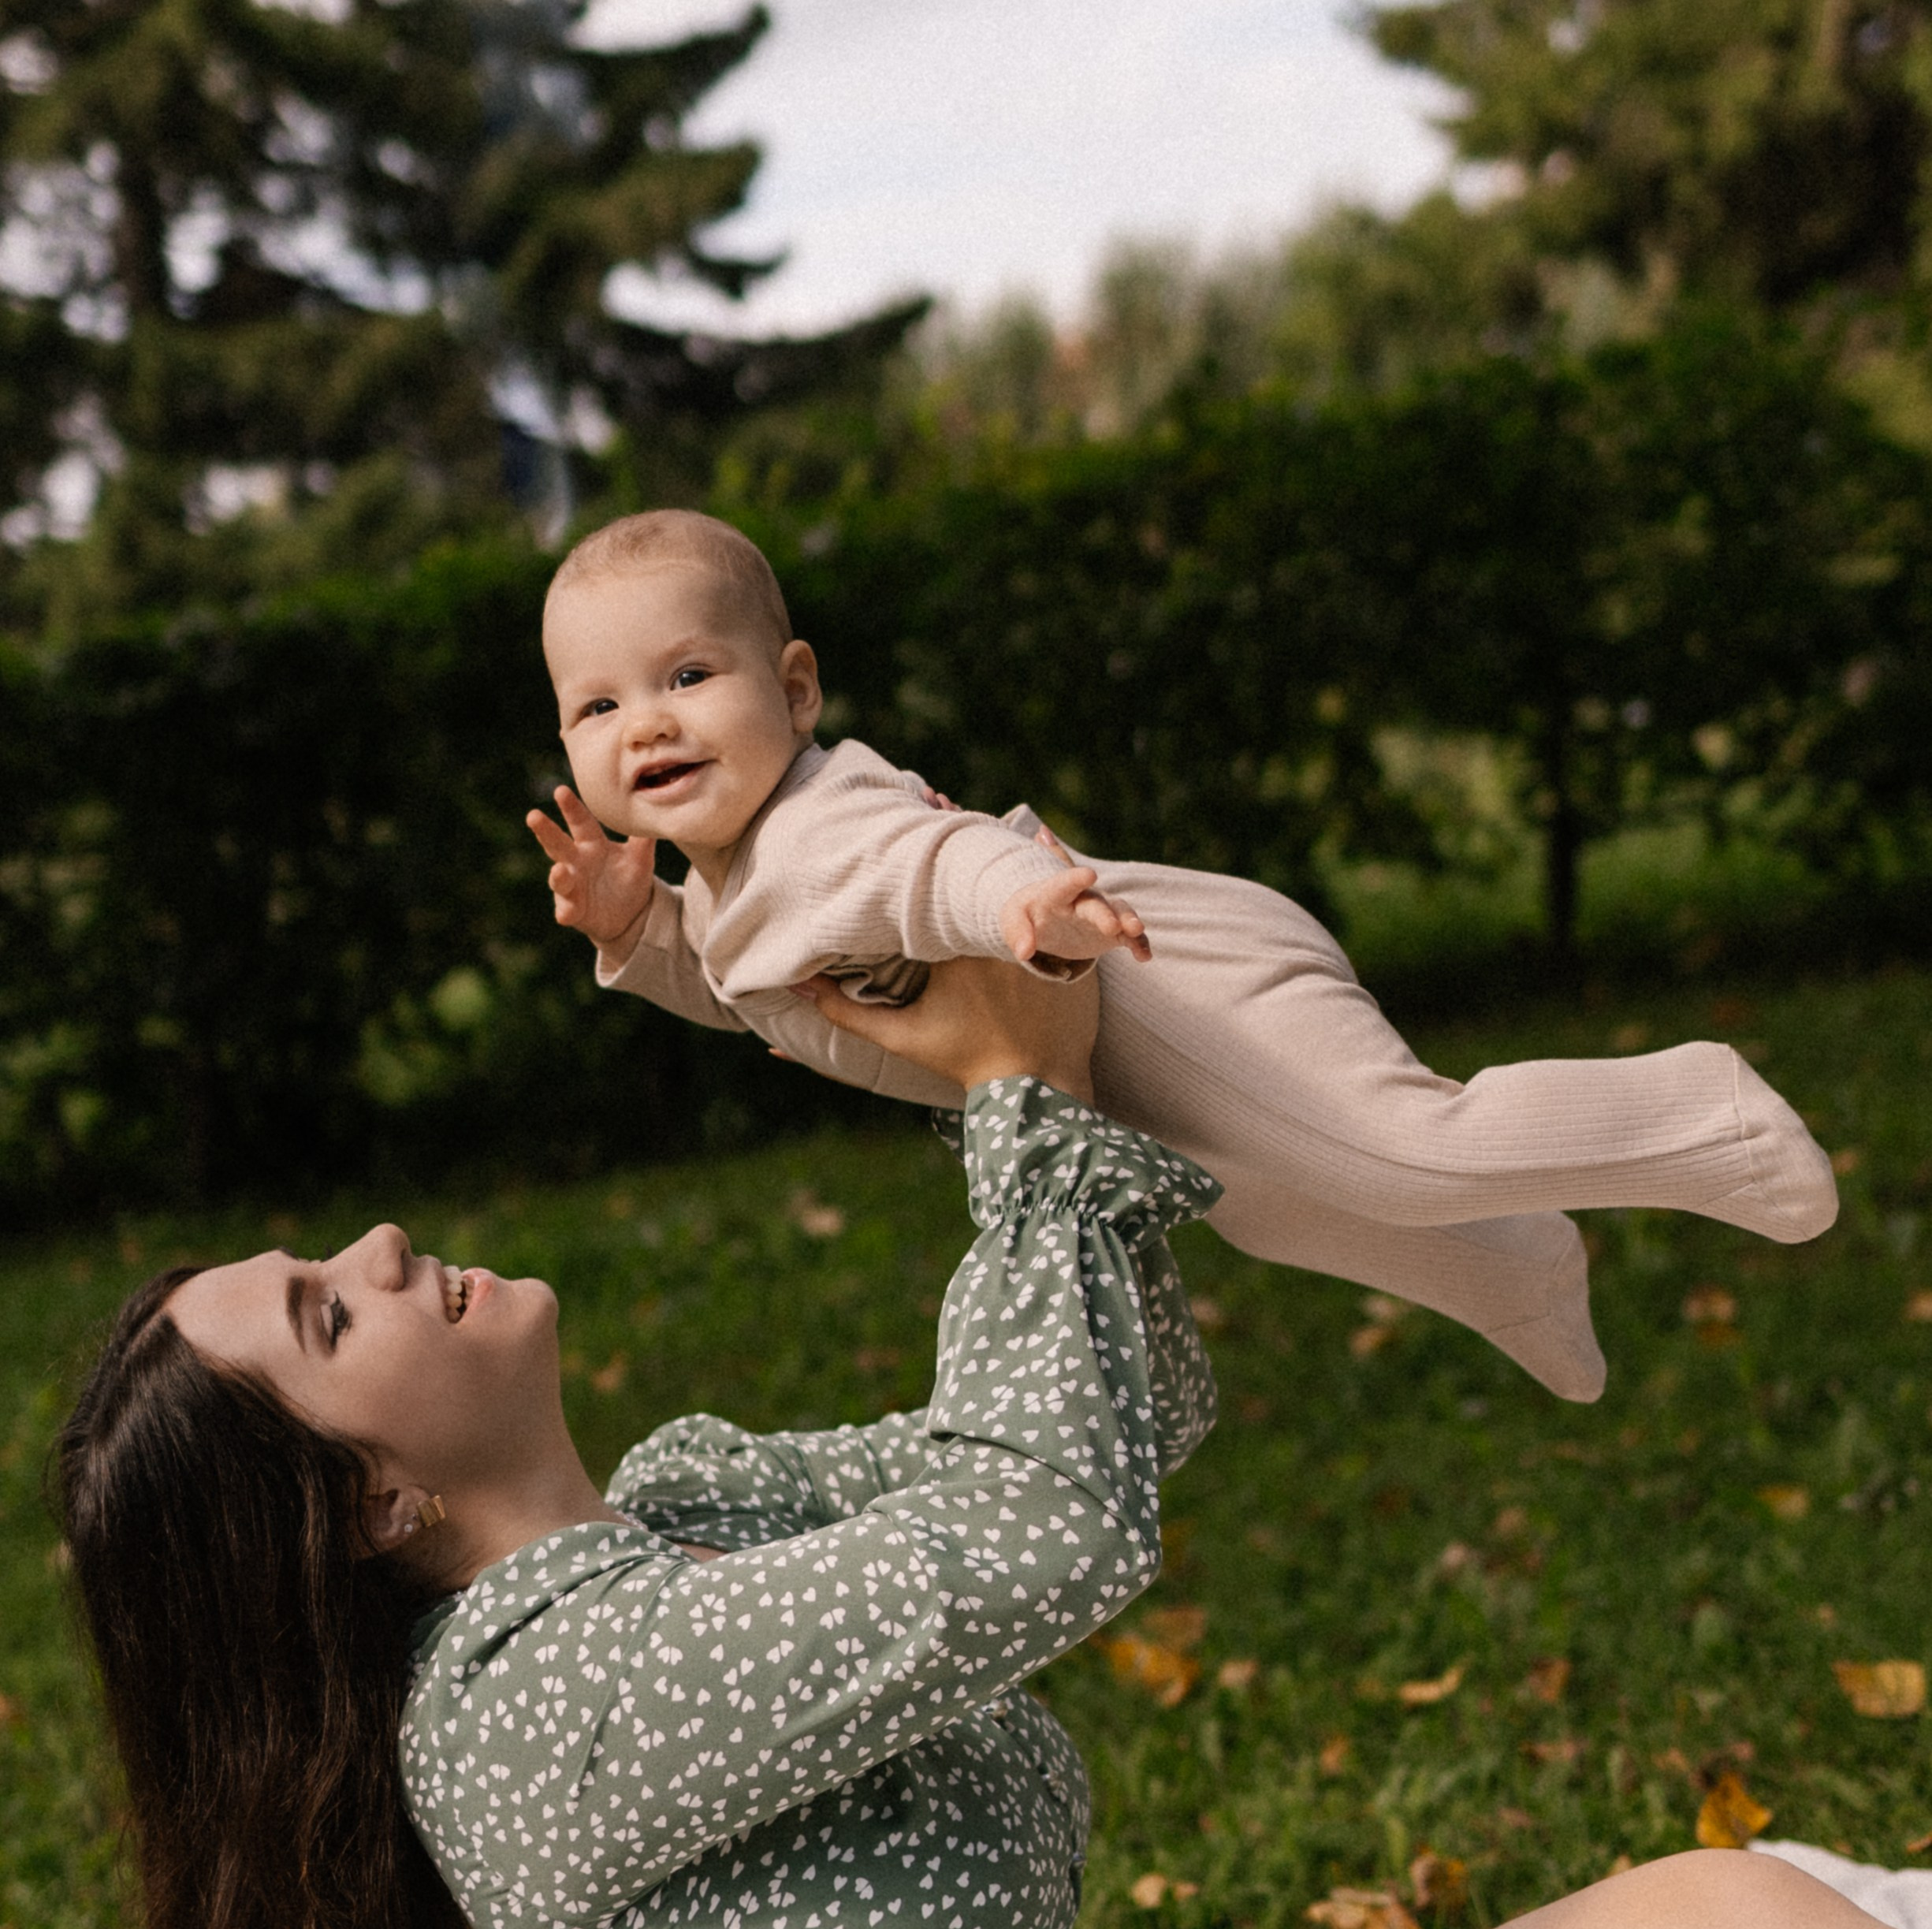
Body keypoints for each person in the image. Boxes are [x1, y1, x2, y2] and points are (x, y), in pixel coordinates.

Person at [58, 955, 1932, 1929]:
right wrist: (1015, 1092)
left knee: (1729, 1925)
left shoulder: (689, 1501)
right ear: (368, 1501)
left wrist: (1004, 1021)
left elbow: (1089, 1427)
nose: (377, 1248)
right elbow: (1042, 1523)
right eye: (326, 1311)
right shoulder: (541, 1711)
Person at [527, 508, 1838, 1410]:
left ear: (796, 691)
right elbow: (761, 992)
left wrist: (1026, 903)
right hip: (1110, 1044)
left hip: (1170, 978)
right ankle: (1519, 1266)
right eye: (600, 706)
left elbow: (935, 865)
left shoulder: (823, 825)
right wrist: (640, 934)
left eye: (688, 675)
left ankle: (1701, 1114)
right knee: (1276, 1207)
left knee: (1393, 1147)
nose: (647, 722)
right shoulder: (741, 883)